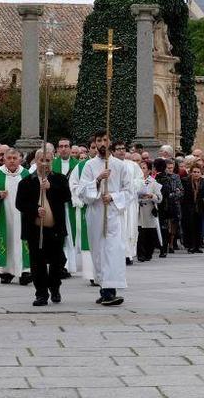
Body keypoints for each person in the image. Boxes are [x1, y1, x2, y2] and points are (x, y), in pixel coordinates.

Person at [78, 130, 134, 306]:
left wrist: (114, 197)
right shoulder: (89, 166)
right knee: (98, 252)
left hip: (113, 215)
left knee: (113, 251)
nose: (102, 143)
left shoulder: (120, 165)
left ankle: (111, 291)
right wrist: (97, 180)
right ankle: (104, 288)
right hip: (96, 215)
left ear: (110, 142)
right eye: (99, 140)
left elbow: (129, 191)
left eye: (105, 140)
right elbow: (81, 191)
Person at [16, 148, 71, 306]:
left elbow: (67, 196)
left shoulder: (59, 179)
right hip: (35, 230)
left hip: (55, 230)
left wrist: (51, 187)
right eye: (42, 160)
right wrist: (35, 209)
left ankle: (55, 288)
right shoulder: (26, 182)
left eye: (48, 160)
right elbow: (20, 203)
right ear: (36, 161)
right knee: (37, 263)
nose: (45, 164)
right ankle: (41, 293)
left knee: (57, 262)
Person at [0, 148, 32, 285]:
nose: (11, 161)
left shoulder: (26, 174)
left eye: (14, 158)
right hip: (4, 215)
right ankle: (6, 272)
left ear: (20, 159)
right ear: (4, 159)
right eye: (9, 158)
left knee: (22, 241)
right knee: (7, 240)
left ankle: (25, 271)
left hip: (22, 216)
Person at [69, 139, 97, 285]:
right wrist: (80, 199)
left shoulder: (112, 165)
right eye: (93, 147)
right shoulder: (80, 166)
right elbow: (73, 185)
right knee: (89, 241)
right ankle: (92, 274)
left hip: (106, 209)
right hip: (87, 208)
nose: (96, 150)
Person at [52, 138, 79, 278]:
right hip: (56, 207)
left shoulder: (78, 165)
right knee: (59, 235)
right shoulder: (51, 164)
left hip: (72, 206)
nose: (63, 149)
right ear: (57, 149)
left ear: (70, 148)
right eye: (61, 146)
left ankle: (70, 265)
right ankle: (59, 264)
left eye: (66, 146)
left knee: (71, 235)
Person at [136, 160, 163, 262]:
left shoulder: (153, 182)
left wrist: (152, 196)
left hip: (149, 210)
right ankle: (140, 254)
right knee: (139, 233)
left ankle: (148, 253)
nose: (141, 170)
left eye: (143, 168)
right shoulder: (136, 181)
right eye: (140, 168)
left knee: (149, 233)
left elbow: (159, 198)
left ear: (149, 170)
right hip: (138, 209)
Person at [124, 152, 144, 263]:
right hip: (116, 201)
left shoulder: (133, 166)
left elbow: (140, 180)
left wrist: (130, 185)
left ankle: (128, 255)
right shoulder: (111, 164)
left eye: (123, 149)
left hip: (130, 202)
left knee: (130, 229)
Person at [181, 163, 204, 253]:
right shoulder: (185, 181)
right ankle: (190, 246)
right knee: (189, 227)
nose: (196, 174)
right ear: (191, 172)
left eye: (198, 172)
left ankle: (197, 246)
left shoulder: (203, 181)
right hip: (188, 207)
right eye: (194, 172)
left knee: (198, 227)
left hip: (199, 207)